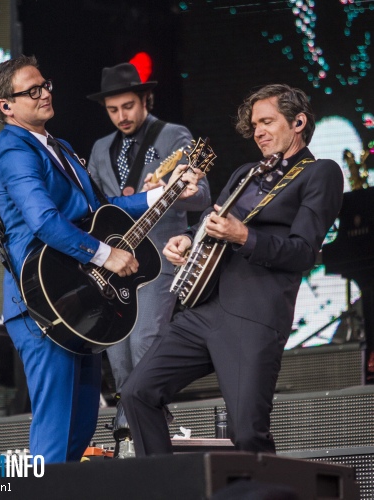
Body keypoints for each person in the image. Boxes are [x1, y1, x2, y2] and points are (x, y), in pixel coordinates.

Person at [0, 55, 202, 464]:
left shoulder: (58, 146)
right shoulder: (13, 148)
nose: (45, 92)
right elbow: (44, 220)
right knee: (55, 433)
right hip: (42, 305)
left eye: (45, 84)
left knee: (79, 430)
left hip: (76, 300)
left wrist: (164, 192)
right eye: (32, 90)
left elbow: (102, 210)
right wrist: (106, 255)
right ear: (5, 107)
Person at [121, 83, 344, 455]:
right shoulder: (246, 173)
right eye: (255, 124)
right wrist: (188, 240)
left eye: (268, 121)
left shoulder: (319, 173)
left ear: (299, 122)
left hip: (253, 316)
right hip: (202, 309)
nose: (258, 131)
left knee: (247, 435)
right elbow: (210, 220)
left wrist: (244, 237)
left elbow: (304, 252)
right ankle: (165, 489)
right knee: (136, 392)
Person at [86, 62, 211, 450]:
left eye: (128, 106)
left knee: (145, 342)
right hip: (114, 261)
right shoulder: (99, 149)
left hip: (159, 259)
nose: (121, 116)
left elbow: (204, 196)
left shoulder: (173, 136)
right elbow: (93, 208)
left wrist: (183, 190)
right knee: (116, 351)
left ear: (145, 100)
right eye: (113, 110)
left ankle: (142, 425)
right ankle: (137, 425)